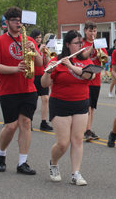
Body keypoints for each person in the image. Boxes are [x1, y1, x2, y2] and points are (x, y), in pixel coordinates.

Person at [0, 6, 43, 174]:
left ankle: (22, 162)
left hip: (28, 88)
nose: (18, 23)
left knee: (26, 123)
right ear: (7, 22)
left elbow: (40, 64)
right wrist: (15, 69)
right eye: (14, 20)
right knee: (11, 126)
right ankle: (1, 154)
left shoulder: (29, 40)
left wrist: (35, 51)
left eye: (20, 20)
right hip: (9, 89)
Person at [41, 30, 94, 185]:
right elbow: (44, 84)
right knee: (63, 143)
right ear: (67, 45)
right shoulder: (56, 61)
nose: (80, 46)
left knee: (77, 140)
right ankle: (54, 163)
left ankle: (75, 173)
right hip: (60, 103)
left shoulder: (86, 61)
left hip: (81, 103)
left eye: (81, 43)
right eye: (77, 43)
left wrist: (70, 65)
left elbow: (89, 76)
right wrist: (48, 72)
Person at [81, 21, 108, 141]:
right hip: (85, 78)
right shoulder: (81, 43)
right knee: (86, 106)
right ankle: (85, 130)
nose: (93, 33)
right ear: (85, 31)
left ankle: (89, 129)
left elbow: (106, 60)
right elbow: (82, 57)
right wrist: (92, 47)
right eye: (90, 30)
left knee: (92, 107)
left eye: (94, 31)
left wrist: (101, 53)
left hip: (96, 79)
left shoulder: (100, 43)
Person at [29, 29, 53, 131]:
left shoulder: (43, 48)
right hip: (33, 75)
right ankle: (28, 121)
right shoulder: (30, 48)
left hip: (42, 75)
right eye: (36, 38)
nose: (38, 40)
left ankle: (43, 122)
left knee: (45, 99)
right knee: (32, 100)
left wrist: (46, 54)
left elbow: (46, 63)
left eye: (39, 37)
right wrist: (38, 50)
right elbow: (33, 60)